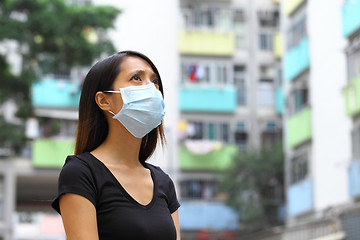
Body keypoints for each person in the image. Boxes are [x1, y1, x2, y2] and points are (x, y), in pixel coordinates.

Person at [51, 50, 181, 240]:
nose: (151, 89)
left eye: (154, 81)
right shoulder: (81, 173)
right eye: (136, 78)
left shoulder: (163, 181)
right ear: (104, 100)